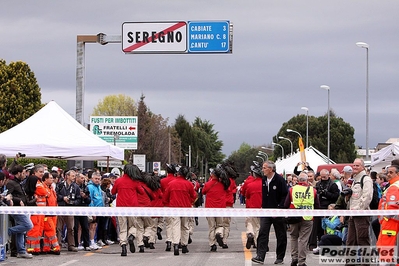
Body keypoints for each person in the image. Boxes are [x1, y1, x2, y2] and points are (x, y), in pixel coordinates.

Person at [252, 160, 288, 265]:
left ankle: (280, 257)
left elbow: (285, 195)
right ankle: (260, 256)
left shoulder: (280, 180)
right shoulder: (264, 180)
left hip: (278, 212)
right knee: (263, 232)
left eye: (264, 168)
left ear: (271, 169)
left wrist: (279, 208)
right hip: (266, 211)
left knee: (281, 234)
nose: (262, 170)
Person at [284, 172, 320, 266]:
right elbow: (317, 205)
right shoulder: (313, 190)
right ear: (307, 180)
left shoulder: (292, 189)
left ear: (298, 180)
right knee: (303, 240)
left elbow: (286, 204)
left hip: (294, 216)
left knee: (293, 237)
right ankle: (301, 261)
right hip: (307, 217)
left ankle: (294, 258)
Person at [162, 166, 197, 256]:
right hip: (185, 208)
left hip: (174, 208)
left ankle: (176, 245)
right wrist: (190, 202)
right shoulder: (188, 184)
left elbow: (165, 197)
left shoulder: (171, 184)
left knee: (175, 226)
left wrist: (167, 203)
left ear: (178, 173)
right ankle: (184, 245)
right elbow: (194, 196)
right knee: (185, 226)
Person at [111, 164, 141, 256]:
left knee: (122, 227)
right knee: (133, 225)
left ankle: (123, 245)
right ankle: (131, 236)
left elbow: (113, 192)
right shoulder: (135, 181)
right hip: (132, 207)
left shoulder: (119, 180)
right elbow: (141, 191)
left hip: (121, 207)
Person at [346, 159, 373, 257]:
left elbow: (367, 197)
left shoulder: (366, 179)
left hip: (361, 214)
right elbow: (353, 198)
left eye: (357, 165)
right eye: (354, 165)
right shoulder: (355, 180)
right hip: (352, 215)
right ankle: (349, 263)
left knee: (363, 240)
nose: (355, 167)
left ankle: (366, 263)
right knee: (350, 241)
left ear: (363, 167)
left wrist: (359, 210)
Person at [6, 163, 34, 259]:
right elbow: (8, 196)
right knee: (28, 225)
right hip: (16, 209)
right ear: (18, 173)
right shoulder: (11, 183)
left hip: (22, 209)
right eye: (23, 173)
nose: (25, 174)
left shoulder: (18, 182)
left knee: (21, 231)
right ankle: (7, 232)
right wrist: (18, 200)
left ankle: (21, 251)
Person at [309, 169, 339, 251]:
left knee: (325, 226)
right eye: (321, 177)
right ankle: (313, 244)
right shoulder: (318, 184)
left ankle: (323, 243)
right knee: (316, 226)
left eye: (324, 177)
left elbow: (336, 196)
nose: (322, 178)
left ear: (328, 175)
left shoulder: (333, 185)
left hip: (328, 207)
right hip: (318, 207)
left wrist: (326, 193)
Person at [202, 166, 229, 252]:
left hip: (209, 208)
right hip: (220, 208)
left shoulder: (208, 184)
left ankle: (212, 244)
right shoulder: (223, 185)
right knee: (220, 225)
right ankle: (219, 233)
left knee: (211, 227)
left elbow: (203, 192)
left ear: (212, 175)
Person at [376, 164, 399, 263]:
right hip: (388, 222)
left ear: (397, 174)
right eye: (387, 172)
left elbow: (392, 206)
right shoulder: (392, 185)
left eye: (391, 172)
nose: (388, 174)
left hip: (390, 222)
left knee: (385, 248)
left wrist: (385, 218)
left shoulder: (395, 186)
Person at [24, 164, 49, 255]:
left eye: (43, 172)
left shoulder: (39, 182)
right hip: (36, 209)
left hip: (41, 210)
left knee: (39, 229)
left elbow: (46, 192)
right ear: (35, 172)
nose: (42, 174)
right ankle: (31, 249)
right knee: (34, 229)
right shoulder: (35, 181)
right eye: (40, 172)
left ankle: (36, 248)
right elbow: (44, 192)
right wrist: (45, 193)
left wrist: (45, 192)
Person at [55, 169, 82, 252]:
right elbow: (56, 195)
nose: (74, 178)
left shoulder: (76, 187)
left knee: (71, 228)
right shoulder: (60, 185)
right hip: (61, 208)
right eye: (72, 176)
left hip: (70, 209)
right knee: (59, 228)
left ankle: (71, 245)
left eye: (74, 176)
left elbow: (79, 199)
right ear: (67, 176)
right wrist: (63, 198)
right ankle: (58, 244)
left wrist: (73, 202)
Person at [42, 172, 61, 255]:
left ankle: (47, 247)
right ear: (45, 179)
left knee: (48, 232)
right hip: (47, 214)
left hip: (53, 213)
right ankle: (56, 247)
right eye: (50, 178)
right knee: (51, 231)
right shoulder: (43, 188)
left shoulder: (51, 188)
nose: (52, 179)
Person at [160, 163, 178, 252]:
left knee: (168, 224)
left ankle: (168, 241)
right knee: (175, 224)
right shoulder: (176, 180)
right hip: (175, 205)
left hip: (166, 205)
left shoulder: (163, 181)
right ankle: (176, 241)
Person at [244, 164, 263, 250]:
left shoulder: (250, 184)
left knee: (252, 224)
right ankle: (258, 242)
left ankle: (251, 235)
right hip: (263, 208)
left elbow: (246, 195)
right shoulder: (265, 184)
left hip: (252, 207)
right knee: (260, 226)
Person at [74, 172, 91, 251]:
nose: (83, 179)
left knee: (85, 226)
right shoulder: (73, 186)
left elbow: (89, 200)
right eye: (81, 178)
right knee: (75, 227)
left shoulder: (85, 187)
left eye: (83, 178)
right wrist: (78, 196)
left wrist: (85, 197)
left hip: (84, 208)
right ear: (76, 178)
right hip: (75, 208)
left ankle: (87, 244)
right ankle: (76, 244)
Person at [87, 171, 104, 250]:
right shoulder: (90, 187)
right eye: (96, 179)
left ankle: (93, 241)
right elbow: (90, 199)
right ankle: (91, 241)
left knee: (95, 226)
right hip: (93, 210)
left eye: (98, 179)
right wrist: (92, 211)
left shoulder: (98, 186)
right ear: (92, 178)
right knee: (92, 226)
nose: (97, 180)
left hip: (99, 209)